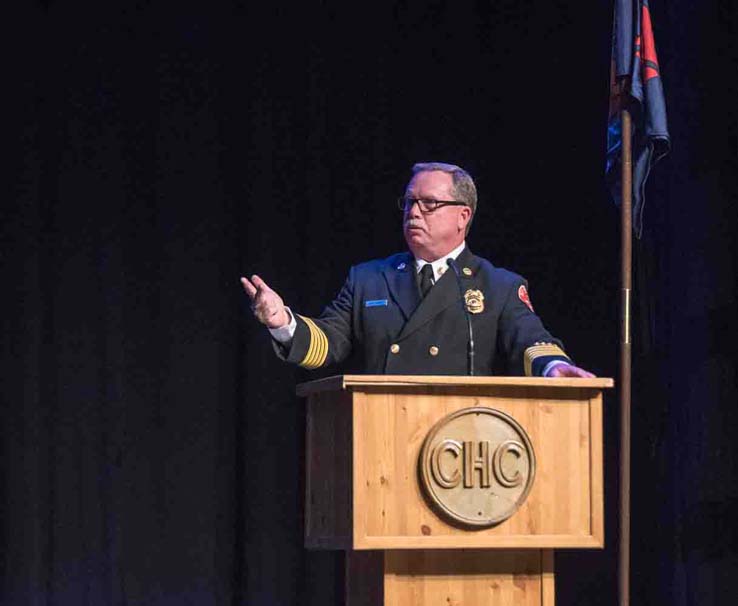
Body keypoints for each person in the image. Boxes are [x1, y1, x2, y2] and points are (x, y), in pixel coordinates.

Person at [241, 162, 593, 378]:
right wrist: (282, 322)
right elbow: (327, 344)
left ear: (463, 216)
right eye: (409, 202)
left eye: (429, 204)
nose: (414, 212)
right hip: (383, 435)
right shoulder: (369, 279)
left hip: (463, 443)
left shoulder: (497, 285)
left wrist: (553, 367)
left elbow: (530, 340)